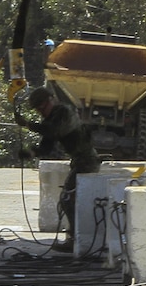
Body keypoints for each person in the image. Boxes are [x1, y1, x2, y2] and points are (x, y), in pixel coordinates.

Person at [15, 86, 100, 253]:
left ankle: (76, 239)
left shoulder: (64, 112)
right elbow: (46, 147)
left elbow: (55, 131)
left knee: (68, 200)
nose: (41, 112)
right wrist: (30, 152)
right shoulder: (49, 121)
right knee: (68, 200)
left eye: (42, 107)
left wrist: (27, 124)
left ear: (51, 100)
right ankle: (75, 238)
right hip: (79, 161)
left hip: (87, 160)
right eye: (38, 110)